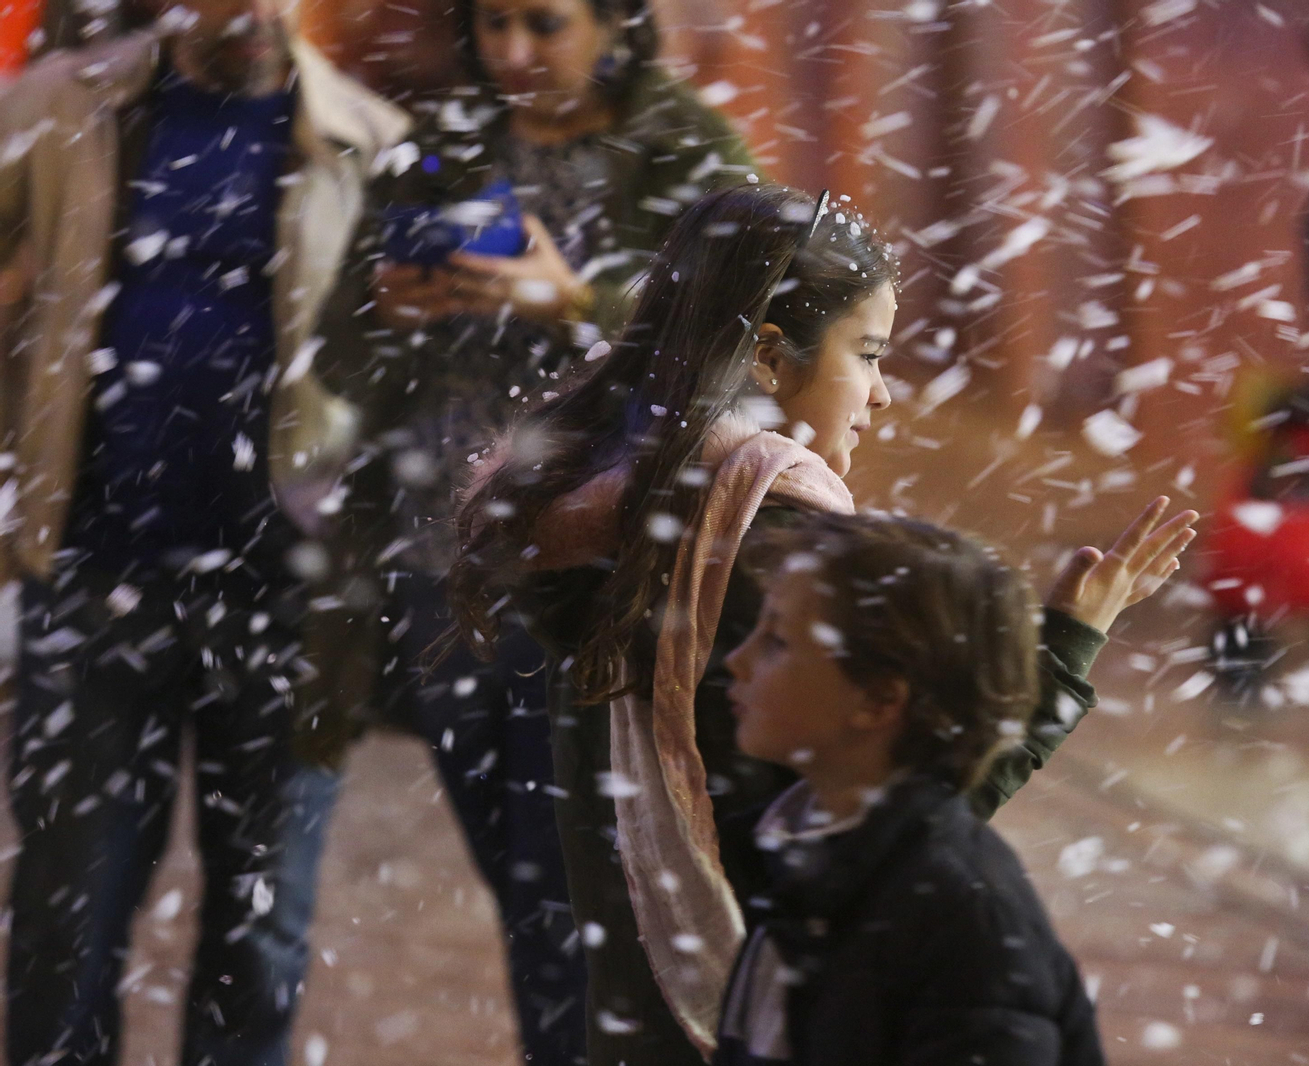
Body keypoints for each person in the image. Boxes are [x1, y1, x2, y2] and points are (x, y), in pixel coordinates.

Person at [449, 182, 1198, 1064]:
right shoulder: (766, 558)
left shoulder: (606, 516)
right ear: (769, 356)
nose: (879, 396)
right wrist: (1070, 641)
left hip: (635, 1017)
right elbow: (901, 824)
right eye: (869, 353)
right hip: (770, 1019)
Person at [311, 0, 761, 1056]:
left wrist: (577, 300)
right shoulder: (443, 147)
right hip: (448, 565)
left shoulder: (686, 145)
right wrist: (395, 312)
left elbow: (747, 339)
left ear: (617, 25)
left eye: (544, 25)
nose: (513, 51)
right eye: (494, 23)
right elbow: (338, 356)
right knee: (523, 885)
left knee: (602, 887)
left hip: (606, 573)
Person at [0, 2, 409, 1063]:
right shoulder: (63, 106)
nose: (258, 11)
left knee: (261, 935)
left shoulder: (373, 140)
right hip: (91, 575)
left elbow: (405, 372)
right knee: (61, 922)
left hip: (288, 597)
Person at [714, 512, 1108, 1066]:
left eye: (777, 641)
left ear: (878, 701)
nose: (738, 660)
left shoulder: (962, 918)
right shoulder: (799, 856)